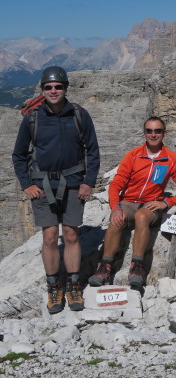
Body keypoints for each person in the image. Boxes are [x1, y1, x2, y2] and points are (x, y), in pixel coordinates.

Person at [12, 66, 100, 314]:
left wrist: (88, 182)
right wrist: (26, 184)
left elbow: (92, 151)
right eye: (48, 87)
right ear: (42, 90)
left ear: (65, 88)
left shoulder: (79, 115)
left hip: (73, 185)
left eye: (58, 86)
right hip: (41, 186)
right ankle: (53, 287)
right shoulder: (33, 118)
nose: (53, 90)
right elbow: (19, 155)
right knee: (50, 237)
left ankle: (73, 286)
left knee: (71, 235)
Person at [89, 116, 176, 287]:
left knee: (142, 217)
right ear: (144, 133)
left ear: (164, 133)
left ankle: (137, 266)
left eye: (157, 131)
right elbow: (116, 185)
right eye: (149, 131)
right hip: (129, 201)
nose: (153, 135)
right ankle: (104, 266)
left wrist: (166, 203)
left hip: (150, 204)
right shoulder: (134, 155)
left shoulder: (172, 159)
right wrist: (115, 208)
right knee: (116, 220)